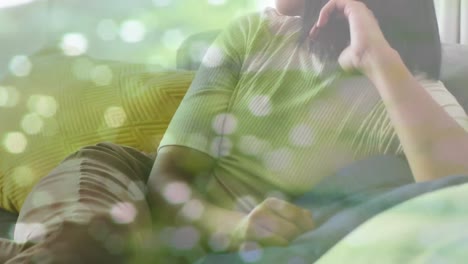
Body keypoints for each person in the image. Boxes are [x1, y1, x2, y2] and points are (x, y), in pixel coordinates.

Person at [1, 0, 468, 262]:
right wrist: (236, 227)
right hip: (125, 183)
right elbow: (167, 185)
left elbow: (455, 196)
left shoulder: (411, 97)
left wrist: (378, 60)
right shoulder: (255, 34)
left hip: (170, 247)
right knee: (83, 246)